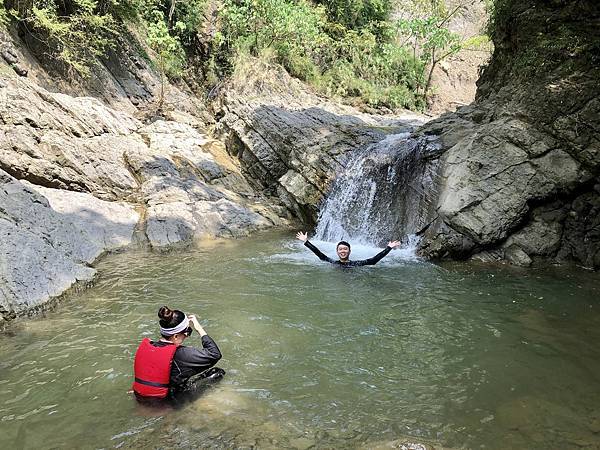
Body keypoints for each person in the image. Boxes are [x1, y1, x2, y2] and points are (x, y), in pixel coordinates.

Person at [132, 305, 224, 403]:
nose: (187, 336)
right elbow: (214, 354)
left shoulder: (150, 347)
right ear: (175, 336)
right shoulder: (181, 354)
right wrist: (199, 328)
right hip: (167, 402)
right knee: (217, 372)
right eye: (187, 332)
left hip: (141, 398)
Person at [296, 231, 401, 266]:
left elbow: (373, 261)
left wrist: (389, 247)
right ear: (337, 251)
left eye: (345, 249)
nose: (343, 251)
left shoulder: (355, 264)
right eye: (340, 249)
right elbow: (320, 254)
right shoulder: (333, 263)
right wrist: (306, 241)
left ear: (349, 251)